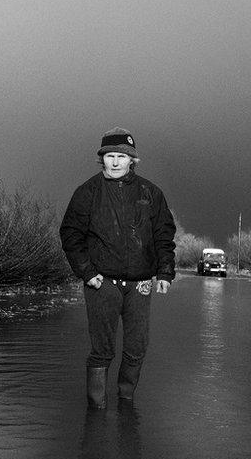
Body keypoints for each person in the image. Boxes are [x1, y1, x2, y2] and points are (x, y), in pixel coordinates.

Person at [59, 127, 176, 408]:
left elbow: (164, 235)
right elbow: (71, 236)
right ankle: (96, 412)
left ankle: (126, 405)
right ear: (102, 159)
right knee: (102, 350)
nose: (115, 162)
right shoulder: (87, 193)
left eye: (121, 157)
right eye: (110, 156)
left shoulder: (151, 193)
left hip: (141, 285)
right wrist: (87, 273)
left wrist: (165, 272)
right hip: (103, 284)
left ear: (131, 160)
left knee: (136, 349)